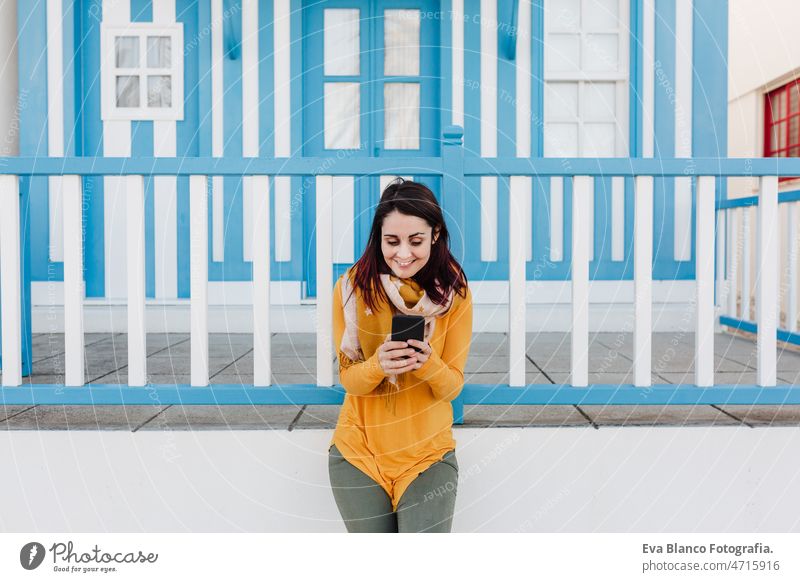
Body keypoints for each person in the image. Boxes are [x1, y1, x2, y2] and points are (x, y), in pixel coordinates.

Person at [328, 178, 473, 533]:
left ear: (435, 234)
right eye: (392, 241)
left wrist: (428, 365)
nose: (403, 253)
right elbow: (350, 379)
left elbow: (452, 387)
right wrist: (378, 364)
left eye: (416, 241)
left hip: (427, 457)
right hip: (358, 452)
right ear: (378, 236)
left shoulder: (455, 294)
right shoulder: (352, 288)